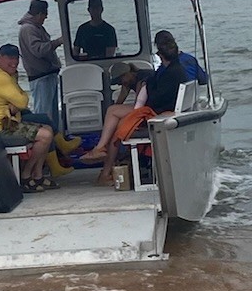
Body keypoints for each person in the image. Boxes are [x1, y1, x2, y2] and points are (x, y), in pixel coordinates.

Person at [75, 33, 189, 185]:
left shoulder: (160, 75)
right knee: (114, 115)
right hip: (158, 109)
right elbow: (125, 101)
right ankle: (102, 158)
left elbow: (153, 99)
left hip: (156, 112)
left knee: (113, 115)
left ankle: (101, 152)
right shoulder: (171, 70)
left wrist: (147, 87)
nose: (121, 83)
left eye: (121, 80)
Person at [0, 44, 55, 189]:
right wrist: (17, 100)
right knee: (44, 135)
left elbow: (21, 100)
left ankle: (38, 175)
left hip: (9, 124)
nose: (14, 62)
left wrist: (17, 99)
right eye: (9, 58)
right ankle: (26, 175)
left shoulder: (6, 75)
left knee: (48, 129)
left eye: (16, 59)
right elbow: (23, 101)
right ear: (0, 58)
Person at [18, 0, 62, 129]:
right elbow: (38, 50)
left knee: (52, 114)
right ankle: (44, 142)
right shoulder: (28, 29)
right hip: (41, 78)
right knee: (43, 114)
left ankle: (56, 144)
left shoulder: (36, 27)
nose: (46, 17)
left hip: (48, 76)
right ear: (39, 14)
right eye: (45, 14)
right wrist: (57, 42)